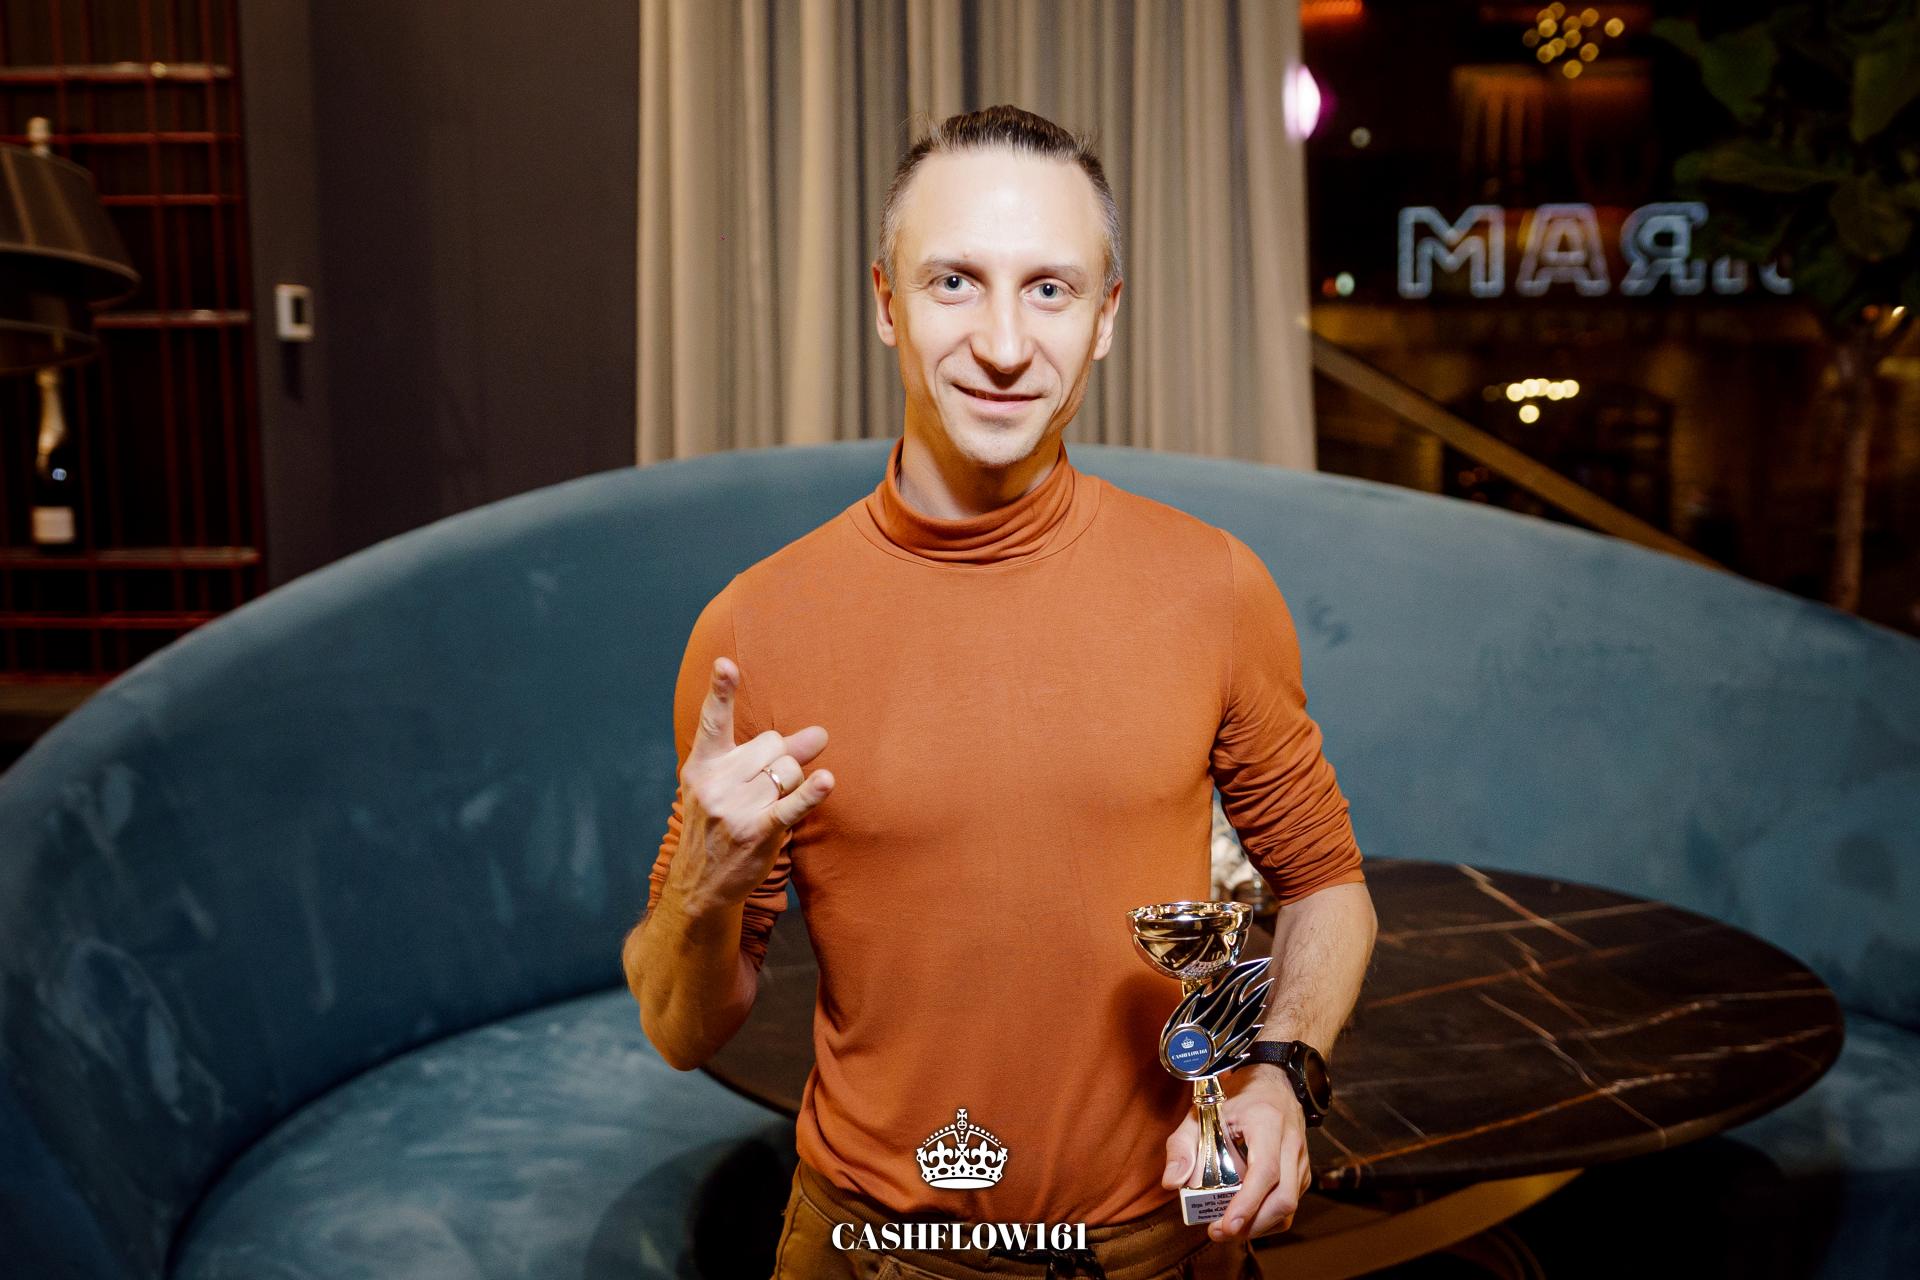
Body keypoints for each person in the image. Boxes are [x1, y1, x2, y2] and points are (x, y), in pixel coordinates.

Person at [626, 104, 1379, 1280]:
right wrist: (703, 888)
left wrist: (1282, 1071)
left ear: (1105, 317)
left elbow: (1328, 885)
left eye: (1049, 290)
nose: (1003, 344)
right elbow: (681, 1027)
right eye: (955, 282)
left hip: (1159, 1244)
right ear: (886, 301)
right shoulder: (755, 628)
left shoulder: (1214, 586)